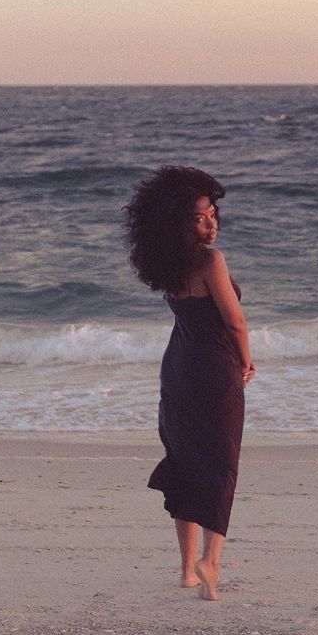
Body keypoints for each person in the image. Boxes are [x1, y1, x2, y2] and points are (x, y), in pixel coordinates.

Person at [124, 166, 255, 601]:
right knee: (221, 465)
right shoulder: (210, 261)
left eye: (213, 213)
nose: (211, 222)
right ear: (179, 222)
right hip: (214, 371)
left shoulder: (169, 265)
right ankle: (210, 565)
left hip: (178, 367)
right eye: (201, 217)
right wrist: (248, 361)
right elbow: (234, 322)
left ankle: (186, 570)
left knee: (185, 461)